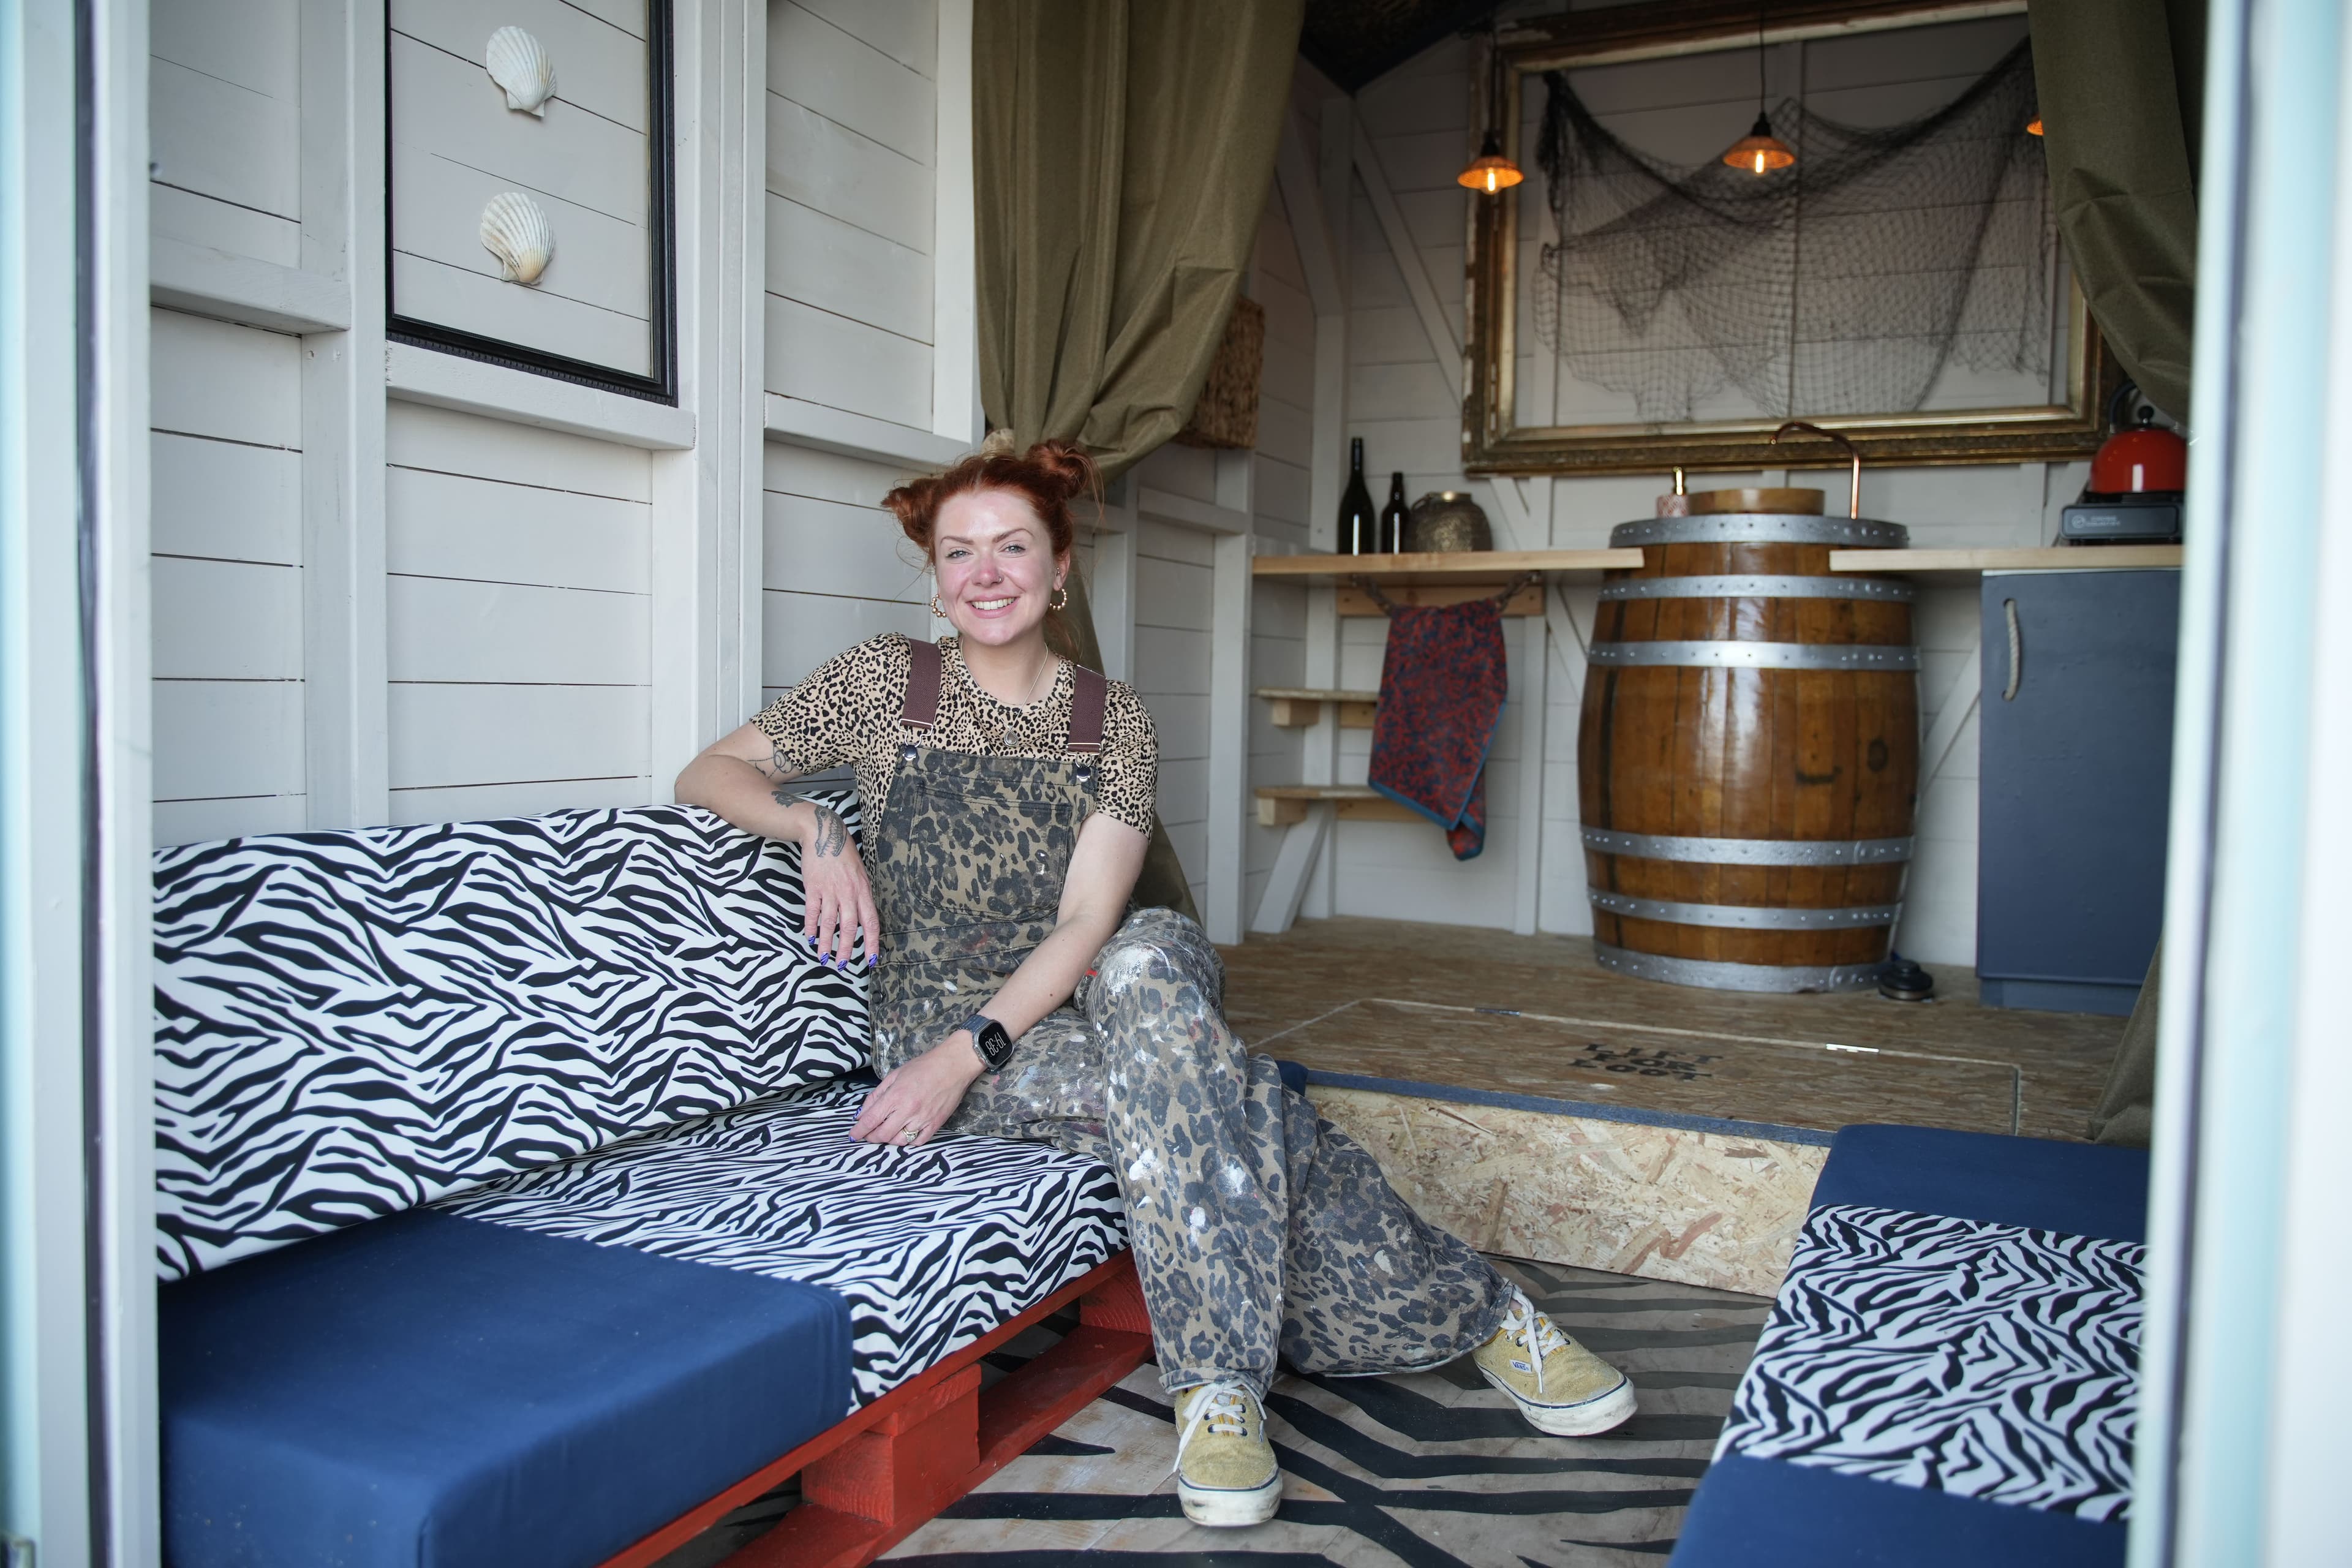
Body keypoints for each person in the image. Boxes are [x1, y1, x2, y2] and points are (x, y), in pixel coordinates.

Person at [676, 436, 1635, 1528]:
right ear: (934, 577)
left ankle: (1218, 1386)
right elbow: (708, 770)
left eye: (1012, 548)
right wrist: (815, 824)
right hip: (960, 1020)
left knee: (1143, 965)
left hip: (1095, 985)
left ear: (1061, 566)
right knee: (1230, 1093)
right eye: (959, 553)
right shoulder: (885, 683)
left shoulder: (1110, 722)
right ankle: (1482, 1313)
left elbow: (1091, 919)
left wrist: (960, 1060)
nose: (985, 574)